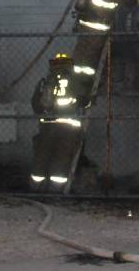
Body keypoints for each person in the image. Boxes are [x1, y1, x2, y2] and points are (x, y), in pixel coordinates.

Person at [29, 52, 96, 192]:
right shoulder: (76, 83)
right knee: (61, 159)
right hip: (68, 129)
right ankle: (56, 191)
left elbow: (35, 104)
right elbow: (86, 102)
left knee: (42, 157)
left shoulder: (44, 82)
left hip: (47, 128)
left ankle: (36, 189)